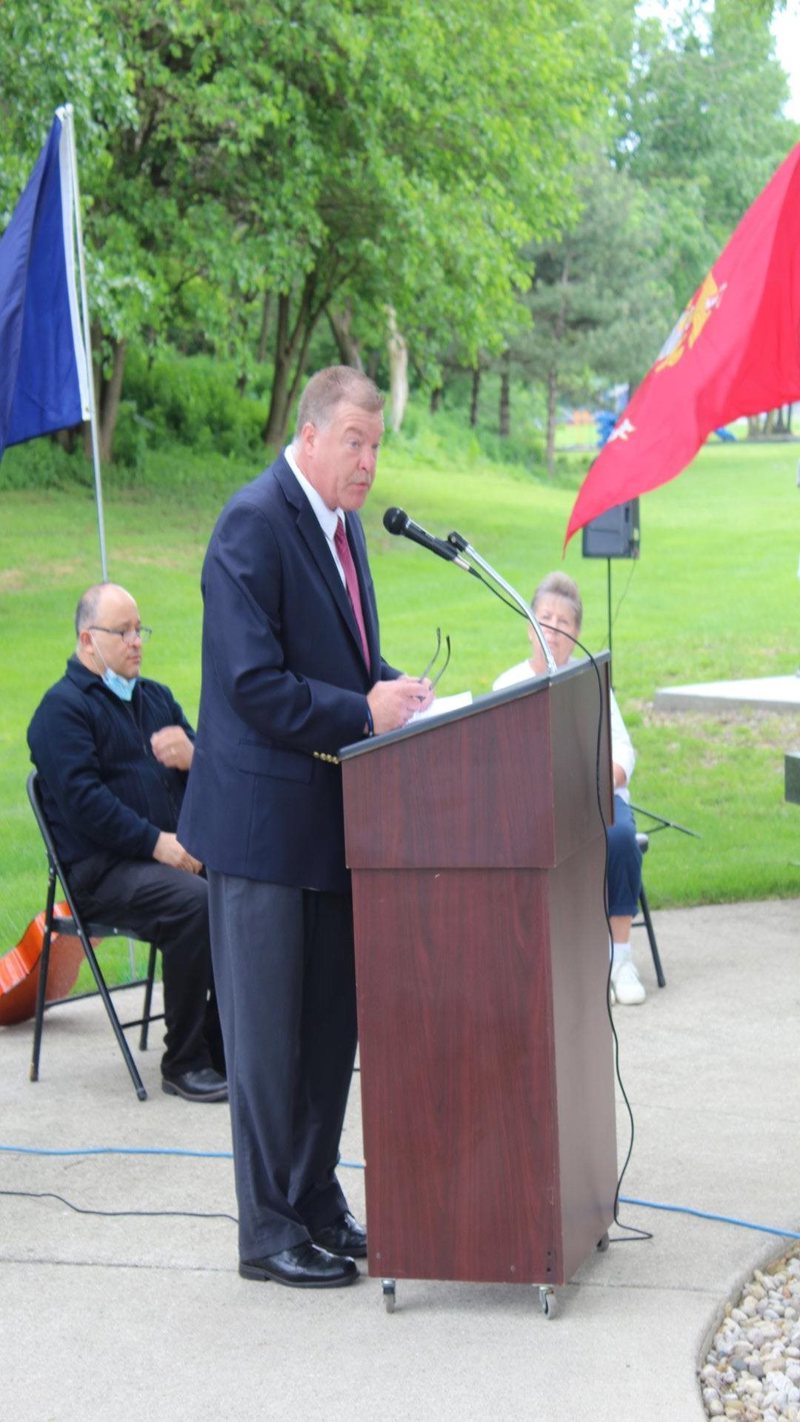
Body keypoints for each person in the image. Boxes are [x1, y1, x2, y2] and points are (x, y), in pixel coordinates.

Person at [178, 365, 433, 1289]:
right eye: (355, 443)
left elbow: (344, 661)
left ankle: (316, 1201)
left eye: (377, 446)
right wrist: (363, 709)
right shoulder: (252, 524)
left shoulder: (345, 525)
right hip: (261, 836)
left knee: (328, 1035)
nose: (368, 463)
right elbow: (253, 684)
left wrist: (392, 690)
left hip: (331, 827)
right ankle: (268, 1231)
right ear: (312, 435)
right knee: (267, 1044)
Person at [27, 582, 227, 1100]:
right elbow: (85, 805)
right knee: (197, 903)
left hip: (172, 857)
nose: (137, 641)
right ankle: (183, 1062)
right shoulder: (61, 712)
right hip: (102, 872)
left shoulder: (155, 698)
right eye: (123, 632)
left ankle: (222, 1040)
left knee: (248, 884)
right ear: (87, 640)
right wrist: (158, 844)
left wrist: (197, 756)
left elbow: (216, 777)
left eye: (140, 630)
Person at [492, 570, 646, 1006]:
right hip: (535, 805)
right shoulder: (506, 686)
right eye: (545, 619)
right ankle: (532, 960)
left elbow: (623, 753)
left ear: (576, 634)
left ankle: (620, 960)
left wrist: (594, 784)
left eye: (563, 623)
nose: (553, 630)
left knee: (620, 837)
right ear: (529, 626)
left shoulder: (590, 678)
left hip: (592, 799)